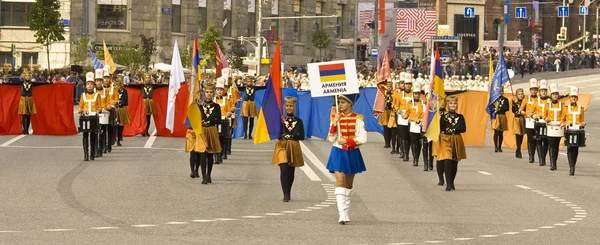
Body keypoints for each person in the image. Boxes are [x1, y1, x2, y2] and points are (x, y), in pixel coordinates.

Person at [326, 94, 367, 225]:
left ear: (350, 104)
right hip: (338, 151)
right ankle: (342, 213)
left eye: (343, 102)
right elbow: (331, 138)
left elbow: (363, 138)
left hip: (352, 152)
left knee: (349, 184)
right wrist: (334, 123)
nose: (340, 105)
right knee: (340, 179)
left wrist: (347, 141)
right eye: (339, 102)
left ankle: (346, 210)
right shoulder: (336, 117)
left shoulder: (358, 119)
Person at [186, 82, 222, 184]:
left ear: (213, 93)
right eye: (207, 92)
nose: (209, 94)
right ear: (204, 93)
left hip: (211, 130)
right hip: (201, 131)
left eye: (211, 92)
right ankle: (203, 176)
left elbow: (218, 119)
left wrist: (209, 121)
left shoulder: (216, 106)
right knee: (202, 152)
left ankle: (208, 174)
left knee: (210, 154)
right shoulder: (200, 106)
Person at [272, 96, 305, 202]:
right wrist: (282, 125)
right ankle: (285, 194)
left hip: (294, 146)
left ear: (294, 107)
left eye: (291, 106)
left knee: (291, 171)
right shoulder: (280, 120)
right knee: (284, 168)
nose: (289, 108)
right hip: (282, 146)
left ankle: (289, 191)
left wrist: (289, 136)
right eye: (287, 106)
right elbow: (277, 134)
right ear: (284, 107)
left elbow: (301, 136)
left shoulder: (299, 121)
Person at [438, 95, 467, 191]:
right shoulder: (444, 116)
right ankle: (448, 183)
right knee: (447, 159)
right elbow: (441, 128)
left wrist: (453, 129)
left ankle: (452, 181)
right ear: (448, 105)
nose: (453, 105)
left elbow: (463, 128)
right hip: (446, 139)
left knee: (454, 162)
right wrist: (443, 117)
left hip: (457, 139)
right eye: (451, 103)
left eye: (454, 103)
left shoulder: (460, 117)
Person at [561, 86, 586, 176]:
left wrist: (583, 123)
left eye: (575, 97)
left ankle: (573, 165)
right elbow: (562, 119)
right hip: (569, 130)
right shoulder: (566, 108)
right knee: (570, 148)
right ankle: (571, 166)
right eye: (572, 97)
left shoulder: (581, 108)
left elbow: (582, 119)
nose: (573, 99)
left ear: (577, 98)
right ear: (569, 98)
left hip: (577, 131)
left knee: (575, 149)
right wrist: (562, 123)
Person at [78, 72, 101, 161]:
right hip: (85, 118)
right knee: (85, 135)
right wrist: (81, 110)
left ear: (94, 86)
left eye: (91, 84)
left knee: (93, 135)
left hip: (94, 118)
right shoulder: (83, 95)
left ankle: (92, 154)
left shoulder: (97, 95)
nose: (90, 86)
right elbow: (80, 106)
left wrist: (99, 109)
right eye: (88, 84)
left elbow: (99, 106)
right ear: (86, 86)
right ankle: (86, 154)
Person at [214, 77, 235, 163]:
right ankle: (217, 156)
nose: (219, 91)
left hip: (224, 121)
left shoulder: (226, 100)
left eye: (221, 90)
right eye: (218, 90)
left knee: (223, 138)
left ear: (224, 91)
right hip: (215, 122)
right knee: (215, 139)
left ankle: (222, 153)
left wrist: (230, 112)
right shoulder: (213, 100)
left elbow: (231, 108)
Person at [518, 78, 539, 163]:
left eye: (535, 90)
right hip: (529, 121)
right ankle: (531, 156)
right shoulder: (526, 99)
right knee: (530, 139)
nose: (534, 91)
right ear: (530, 90)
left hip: (538, 121)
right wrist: (524, 113)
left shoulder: (540, 99)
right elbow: (520, 109)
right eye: (532, 90)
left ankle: (540, 156)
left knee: (538, 139)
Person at [403, 82, 424, 167]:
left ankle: (417, 157)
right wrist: (405, 116)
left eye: (418, 94)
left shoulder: (422, 103)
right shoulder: (409, 103)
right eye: (415, 94)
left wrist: (420, 120)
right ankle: (415, 158)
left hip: (420, 124)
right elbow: (406, 114)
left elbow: (424, 113)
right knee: (413, 141)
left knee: (419, 142)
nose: (417, 95)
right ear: (413, 94)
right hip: (411, 124)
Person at [544, 83, 564, 171]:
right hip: (550, 127)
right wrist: (546, 119)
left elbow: (564, 115)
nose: (555, 96)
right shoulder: (547, 104)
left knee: (556, 145)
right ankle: (552, 163)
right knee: (551, 145)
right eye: (553, 94)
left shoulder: (562, 105)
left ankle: (555, 161)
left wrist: (563, 122)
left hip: (559, 127)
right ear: (551, 95)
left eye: (556, 94)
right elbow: (544, 115)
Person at [534, 79, 550, 166]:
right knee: (539, 140)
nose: (543, 93)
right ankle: (541, 158)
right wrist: (533, 115)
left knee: (546, 141)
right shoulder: (536, 101)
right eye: (542, 91)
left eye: (545, 91)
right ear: (539, 92)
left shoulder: (550, 101)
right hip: (538, 123)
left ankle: (543, 156)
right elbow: (531, 111)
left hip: (547, 123)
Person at [492, 86, 509, 152]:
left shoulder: (505, 99)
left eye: (502, 91)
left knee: (501, 132)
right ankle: (496, 147)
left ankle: (500, 147)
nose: (501, 92)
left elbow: (507, 108)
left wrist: (499, 109)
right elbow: (491, 107)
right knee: (496, 132)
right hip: (496, 116)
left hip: (502, 116)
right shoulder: (494, 99)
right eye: (499, 91)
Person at [378, 80, 394, 149]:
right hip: (384, 111)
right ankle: (387, 143)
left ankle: (390, 141)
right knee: (385, 127)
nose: (389, 87)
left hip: (391, 111)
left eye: (390, 86)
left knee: (391, 127)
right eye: (388, 86)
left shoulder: (394, 93)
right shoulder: (382, 93)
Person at [511, 88, 526, 158]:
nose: (520, 95)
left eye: (521, 94)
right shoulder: (514, 101)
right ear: (516, 95)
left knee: (522, 135)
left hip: (523, 119)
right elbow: (514, 111)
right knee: (518, 135)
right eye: (519, 94)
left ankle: (518, 148)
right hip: (517, 119)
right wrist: (515, 103)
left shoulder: (525, 101)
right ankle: (518, 149)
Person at [115, 79, 130, 146]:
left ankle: (119, 137)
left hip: (122, 108)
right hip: (115, 109)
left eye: (120, 84)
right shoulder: (114, 92)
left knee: (121, 124)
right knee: (115, 124)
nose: (118, 86)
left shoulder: (124, 91)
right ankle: (114, 137)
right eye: (117, 85)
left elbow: (126, 101)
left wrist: (121, 103)